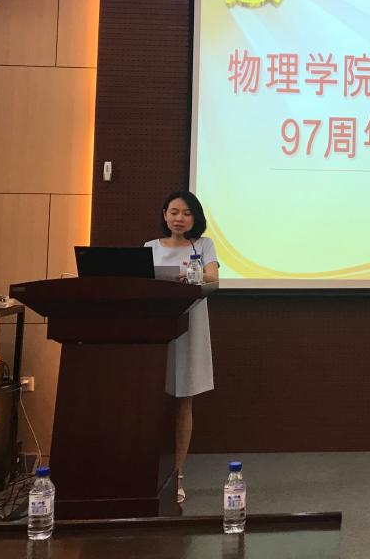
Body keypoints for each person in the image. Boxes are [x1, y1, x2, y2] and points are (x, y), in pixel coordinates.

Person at [145, 190, 219, 504]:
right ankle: (143, 472)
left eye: (187, 213)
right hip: (154, 328)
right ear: (164, 215)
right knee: (147, 400)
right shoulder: (150, 247)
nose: (179, 218)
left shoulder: (203, 245)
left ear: (195, 218)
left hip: (190, 326)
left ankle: (177, 475)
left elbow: (213, 280)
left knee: (183, 401)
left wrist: (191, 275)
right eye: (174, 212)